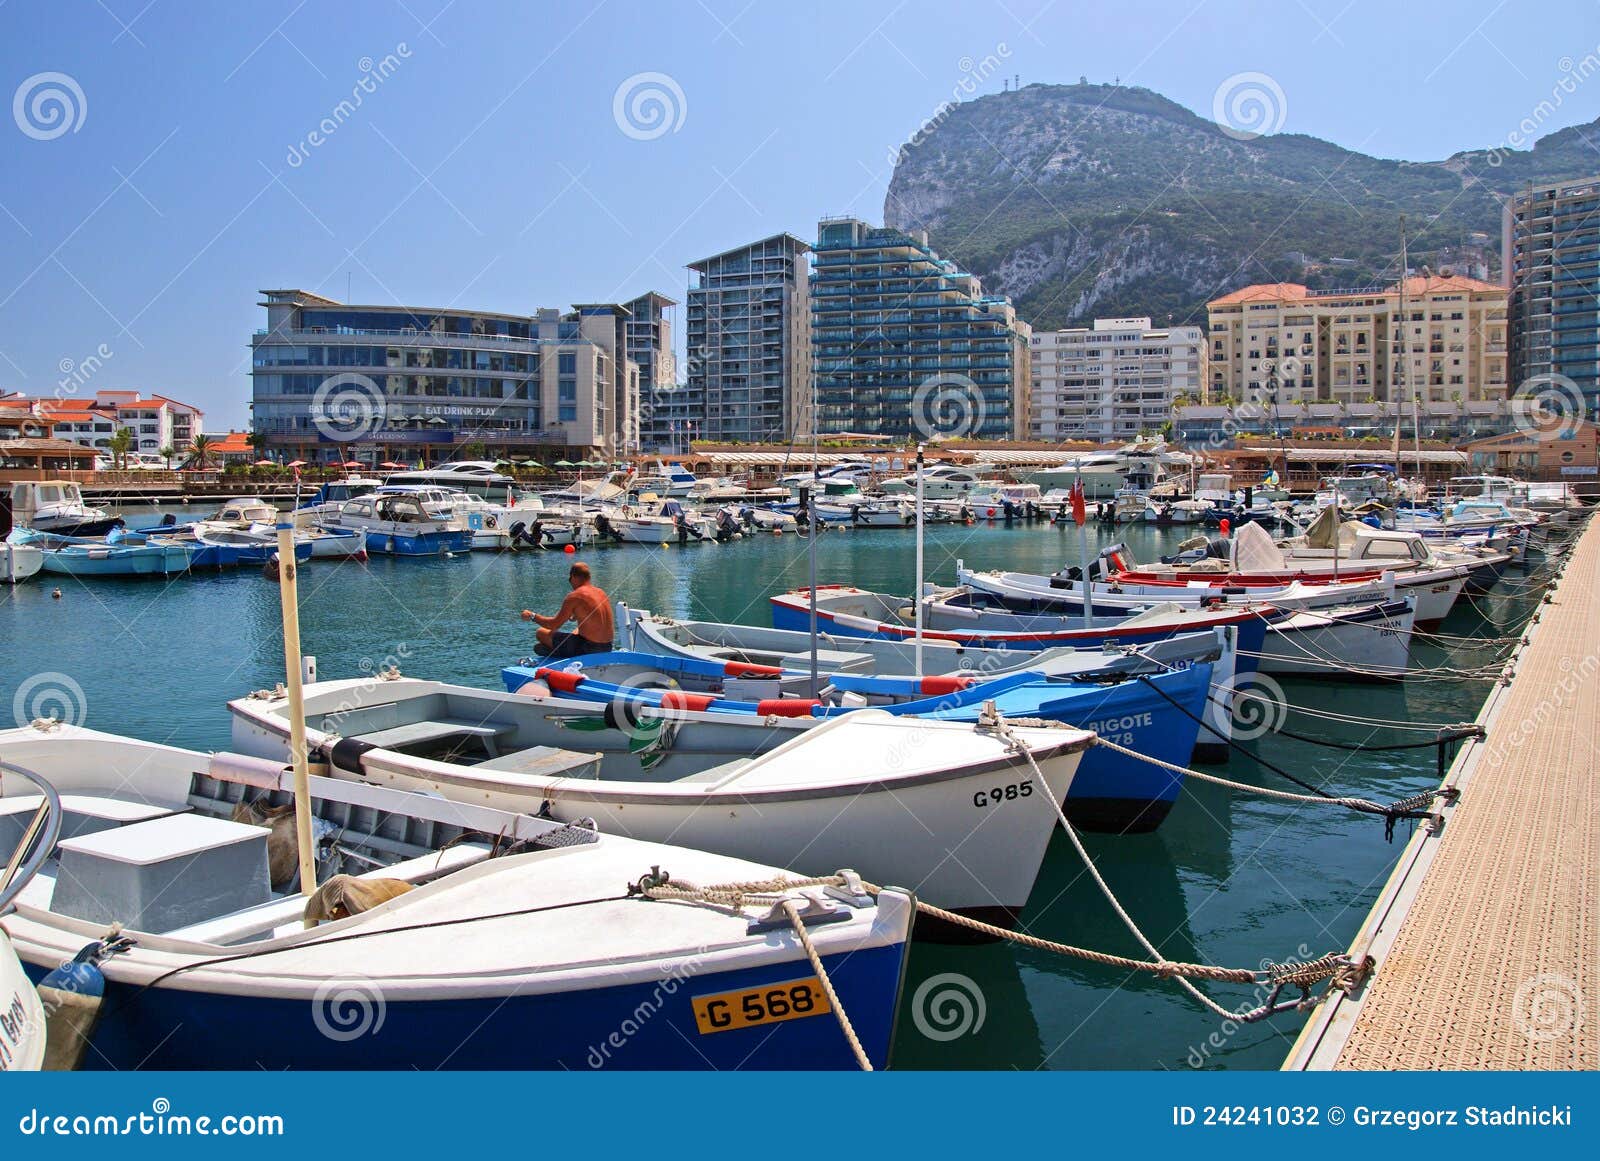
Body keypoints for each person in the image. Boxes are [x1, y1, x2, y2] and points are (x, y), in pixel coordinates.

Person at [521, 561, 615, 659]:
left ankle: (560, 654)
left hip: (588, 649)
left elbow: (554, 625)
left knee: (541, 633)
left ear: (573, 577)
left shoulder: (575, 596)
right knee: (577, 630)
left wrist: (532, 616)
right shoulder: (601, 592)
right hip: (607, 647)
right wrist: (576, 614)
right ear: (589, 577)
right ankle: (559, 651)